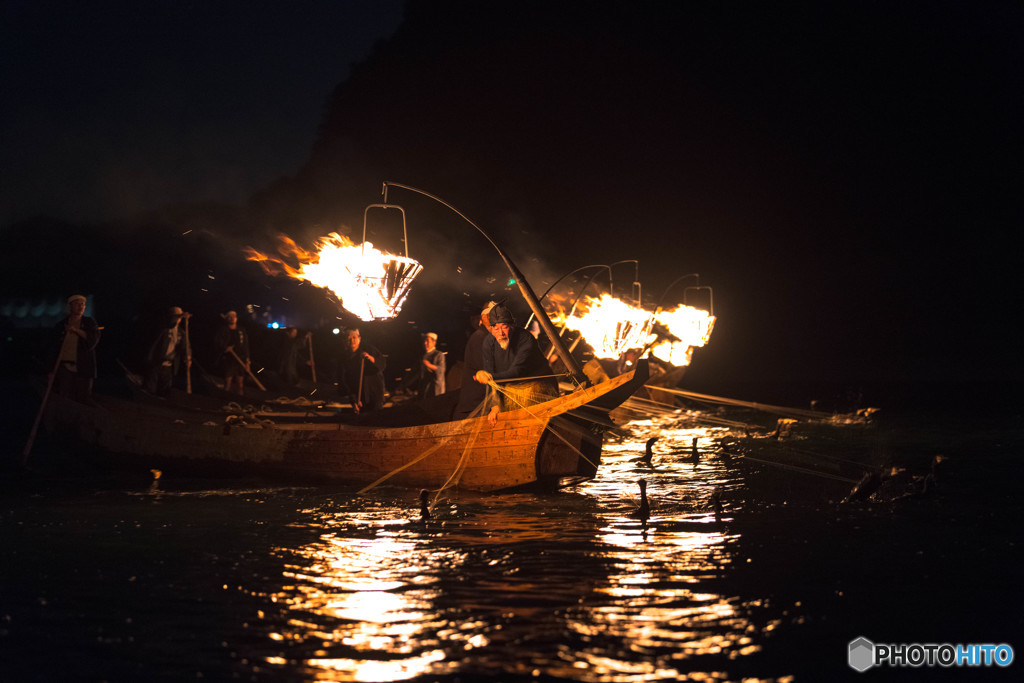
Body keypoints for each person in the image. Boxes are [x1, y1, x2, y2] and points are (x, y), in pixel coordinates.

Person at [474, 302, 559, 424]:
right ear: (491, 328)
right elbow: (490, 374)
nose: (500, 333)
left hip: (535, 390)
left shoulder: (525, 339)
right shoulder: (488, 342)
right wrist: (495, 406)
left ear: (512, 326)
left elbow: (516, 371)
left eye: (504, 327)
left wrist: (490, 376)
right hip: (511, 393)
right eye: (496, 328)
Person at [52, 294, 101, 403]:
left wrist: (76, 330)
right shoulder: (61, 325)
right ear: (70, 306)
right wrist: (51, 371)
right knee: (64, 397)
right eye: (77, 304)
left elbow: (93, 340)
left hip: (83, 367)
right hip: (64, 367)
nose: (81, 307)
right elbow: (53, 348)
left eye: (83, 304)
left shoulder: (89, 323)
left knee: (83, 398)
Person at [453, 301, 496, 419]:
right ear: (484, 317)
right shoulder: (480, 338)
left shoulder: (490, 338)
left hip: (483, 403)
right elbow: (487, 372)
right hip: (475, 406)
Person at [144, 306, 191, 396]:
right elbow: (153, 344)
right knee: (150, 388)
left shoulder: (181, 333)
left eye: (179, 318)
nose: (177, 319)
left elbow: (186, 347)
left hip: (168, 366)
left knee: (164, 390)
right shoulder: (163, 329)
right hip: (156, 363)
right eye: (176, 317)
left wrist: (188, 357)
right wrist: (149, 358)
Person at [338, 328, 386, 413]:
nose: (352, 340)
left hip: (374, 394)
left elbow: (381, 364)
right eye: (348, 338)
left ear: (359, 338)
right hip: (358, 397)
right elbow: (343, 380)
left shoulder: (369, 349)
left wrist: (369, 357)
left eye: (354, 337)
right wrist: (353, 400)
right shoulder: (343, 358)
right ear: (344, 340)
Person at [397, 332, 446, 400]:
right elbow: (413, 374)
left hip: (436, 390)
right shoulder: (423, 357)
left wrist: (429, 365)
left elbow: (441, 369)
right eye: (424, 341)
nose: (425, 343)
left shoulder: (439, 355)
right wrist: (402, 386)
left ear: (434, 342)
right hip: (424, 390)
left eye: (427, 341)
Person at [215, 310, 250, 395]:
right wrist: (226, 348)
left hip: (240, 360)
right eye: (230, 317)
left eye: (233, 316)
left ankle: (240, 401)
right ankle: (225, 399)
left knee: (240, 384)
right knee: (227, 383)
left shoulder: (241, 331)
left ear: (236, 318)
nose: (232, 318)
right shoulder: (223, 330)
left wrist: (247, 361)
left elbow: (245, 346)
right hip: (228, 360)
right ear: (227, 319)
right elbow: (218, 342)